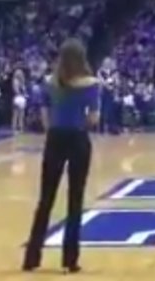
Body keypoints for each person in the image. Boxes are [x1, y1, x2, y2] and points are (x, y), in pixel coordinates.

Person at [23, 38, 100, 274]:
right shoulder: (91, 84)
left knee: (45, 199)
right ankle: (70, 260)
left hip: (55, 139)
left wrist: (55, 129)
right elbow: (93, 118)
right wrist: (80, 125)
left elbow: (45, 117)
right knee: (75, 200)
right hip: (78, 139)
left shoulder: (49, 83)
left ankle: (31, 258)